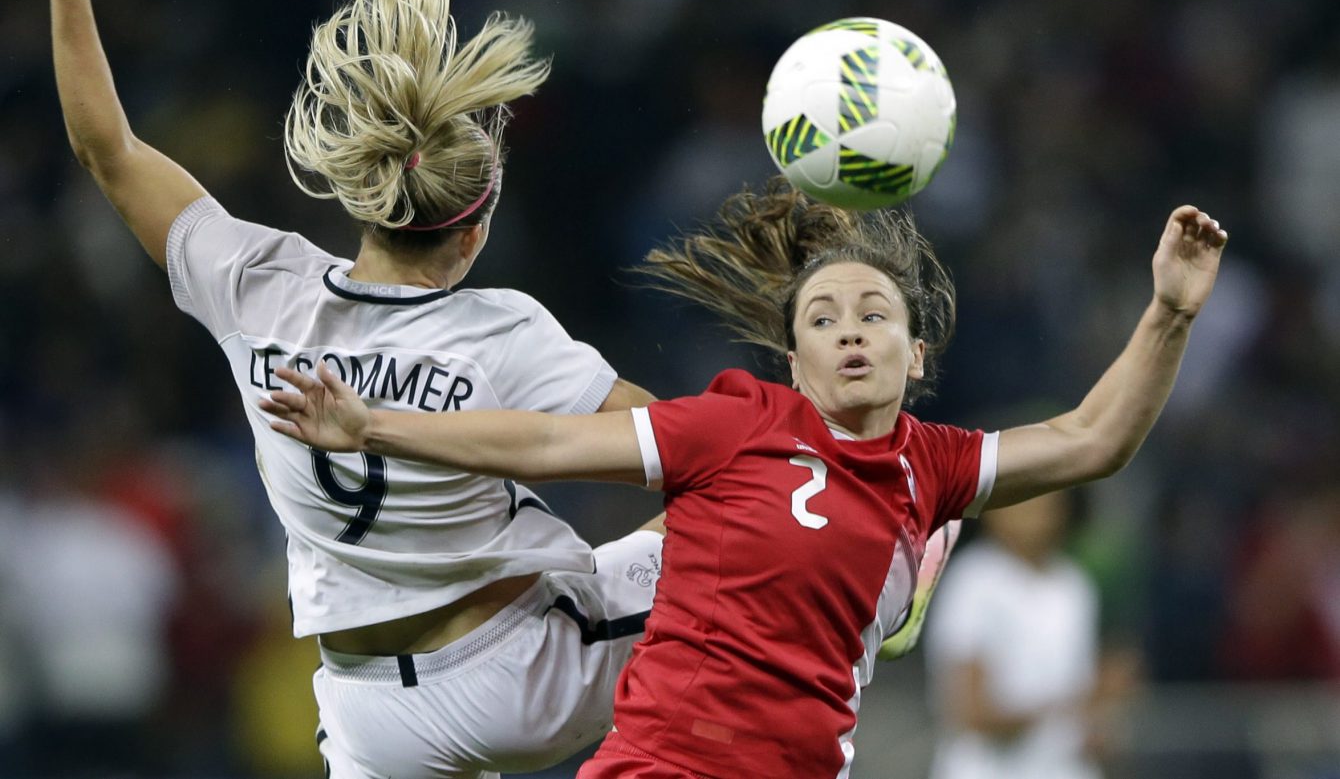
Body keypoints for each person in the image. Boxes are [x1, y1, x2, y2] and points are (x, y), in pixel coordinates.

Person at [18, 0, 665, 779]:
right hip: (521, 672)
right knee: (760, 505)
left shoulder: (255, 282)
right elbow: (684, 448)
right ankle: (895, 567)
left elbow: (108, 150)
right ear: (473, 230)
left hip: (367, 711)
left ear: (359, 199)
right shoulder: (502, 331)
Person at [262, 182, 1229, 778]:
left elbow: (1090, 439)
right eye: (823, 316)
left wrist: (1170, 314)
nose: (851, 326)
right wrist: (374, 425)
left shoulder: (931, 463)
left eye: (875, 313)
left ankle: (891, 585)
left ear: (917, 351)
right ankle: (895, 591)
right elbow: (547, 446)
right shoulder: (737, 426)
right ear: (796, 360)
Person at [924, 491, 1139, 779]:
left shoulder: (1075, 585)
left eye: (1046, 498)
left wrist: (1100, 719)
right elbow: (970, 712)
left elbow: (1086, 718)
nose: (1036, 510)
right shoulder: (973, 582)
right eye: (1023, 499)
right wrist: (1078, 700)